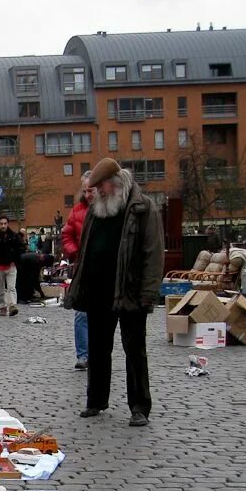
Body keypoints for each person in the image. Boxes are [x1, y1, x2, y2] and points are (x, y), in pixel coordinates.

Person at [63, 158, 163, 428]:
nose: (98, 192)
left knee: (134, 350)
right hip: (98, 290)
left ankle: (139, 406)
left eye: (102, 187)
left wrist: (148, 293)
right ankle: (96, 400)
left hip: (130, 290)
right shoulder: (97, 210)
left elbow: (153, 254)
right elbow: (84, 249)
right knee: (97, 349)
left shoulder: (142, 208)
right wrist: (79, 283)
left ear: (115, 184)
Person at [62, 172, 93, 370]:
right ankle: (83, 355)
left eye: (91, 190)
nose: (88, 194)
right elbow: (66, 236)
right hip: (83, 267)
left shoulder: (110, 209)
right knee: (81, 313)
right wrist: (75, 254)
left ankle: (97, 352)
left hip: (105, 270)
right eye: (85, 190)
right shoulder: (77, 211)